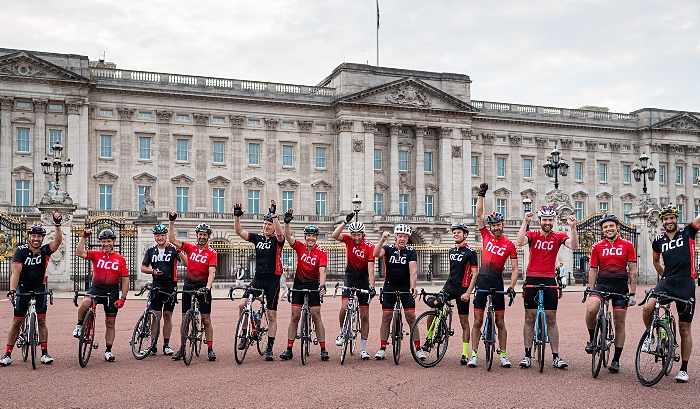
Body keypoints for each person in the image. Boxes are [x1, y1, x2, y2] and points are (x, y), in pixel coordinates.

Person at [643, 204, 700, 383]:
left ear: (676, 219)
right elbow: (655, 261)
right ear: (662, 221)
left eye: (672, 218)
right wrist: (664, 275)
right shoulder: (658, 240)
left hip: (686, 283)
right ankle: (650, 334)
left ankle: (683, 369)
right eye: (666, 219)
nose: (669, 221)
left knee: (684, 328)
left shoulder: (688, 232)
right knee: (648, 306)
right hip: (667, 281)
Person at [516, 205, 578, 369]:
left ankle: (556, 356)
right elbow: (520, 242)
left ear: (554, 220)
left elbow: (574, 246)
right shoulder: (533, 234)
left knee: (551, 318)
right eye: (545, 220)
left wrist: (573, 228)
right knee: (529, 317)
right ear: (540, 220)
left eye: (550, 220)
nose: (548, 223)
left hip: (550, 278)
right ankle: (527, 355)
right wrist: (525, 222)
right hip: (532, 277)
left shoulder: (558, 236)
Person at [464, 183, 519, 368]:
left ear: (502, 225)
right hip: (482, 282)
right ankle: (473, 355)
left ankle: (503, 354)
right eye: (493, 225)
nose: (496, 228)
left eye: (498, 225)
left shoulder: (509, 245)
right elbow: (478, 215)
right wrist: (481, 194)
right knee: (477, 321)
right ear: (491, 226)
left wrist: (512, 286)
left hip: (497, 283)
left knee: (500, 321)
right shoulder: (486, 236)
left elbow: (515, 268)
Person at [0, 213, 62, 367]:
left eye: (39, 236)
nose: (36, 239)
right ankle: (7, 354)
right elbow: (16, 272)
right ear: (29, 237)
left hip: (40, 287)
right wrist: (13, 290)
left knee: (41, 320)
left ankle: (45, 353)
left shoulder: (45, 250)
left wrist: (57, 224)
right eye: (34, 236)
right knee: (16, 322)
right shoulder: (20, 251)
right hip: (23, 287)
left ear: (42, 238)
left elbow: (58, 241)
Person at [583, 214, 637, 373]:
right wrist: (591, 288)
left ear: (617, 227)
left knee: (619, 323)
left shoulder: (628, 245)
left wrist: (632, 293)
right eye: (605, 227)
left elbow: (632, 269)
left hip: (620, 288)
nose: (609, 229)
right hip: (602, 285)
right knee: (591, 308)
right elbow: (593, 270)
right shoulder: (597, 247)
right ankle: (593, 338)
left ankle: (616, 359)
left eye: (611, 226)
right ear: (602, 230)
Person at [234, 199, 284, 361]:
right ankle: (244, 334)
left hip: (273, 281)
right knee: (242, 305)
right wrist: (237, 217)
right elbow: (239, 232)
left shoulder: (277, 240)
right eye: (264, 224)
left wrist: (275, 217)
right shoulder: (257, 238)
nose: (266, 226)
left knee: (271, 315)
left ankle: (269, 348)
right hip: (258, 279)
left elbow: (281, 235)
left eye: (268, 224)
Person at [73, 227, 130, 362]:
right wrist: (84, 237)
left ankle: (108, 350)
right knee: (85, 303)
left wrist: (123, 298)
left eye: (108, 241)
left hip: (112, 292)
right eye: (103, 241)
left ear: (114, 241)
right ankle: (80, 325)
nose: (106, 244)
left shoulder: (120, 259)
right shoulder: (96, 254)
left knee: (110, 323)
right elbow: (79, 252)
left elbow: (125, 279)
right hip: (96, 288)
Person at [280, 210, 329, 361]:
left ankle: (323, 349)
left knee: (316, 316)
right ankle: (289, 348)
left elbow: (322, 270)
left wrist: (322, 285)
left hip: (313, 284)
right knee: (295, 316)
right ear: (305, 237)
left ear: (316, 237)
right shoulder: (300, 247)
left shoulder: (321, 251)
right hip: (299, 284)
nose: (311, 238)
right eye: (308, 236)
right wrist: (287, 223)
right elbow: (288, 238)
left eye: (313, 236)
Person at [426, 222, 478, 365]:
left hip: (462, 289)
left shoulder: (471, 252)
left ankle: (464, 353)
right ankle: (429, 337)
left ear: (465, 235)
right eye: (454, 233)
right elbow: (451, 271)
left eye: (459, 232)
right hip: (449, 287)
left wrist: (468, 292)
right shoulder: (451, 251)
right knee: (432, 307)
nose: (456, 235)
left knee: (464, 322)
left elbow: (475, 274)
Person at [168, 214, 218, 361]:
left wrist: (208, 288)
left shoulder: (212, 253)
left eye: (205, 235)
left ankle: (210, 348)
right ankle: (182, 348)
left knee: (206, 320)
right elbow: (172, 240)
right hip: (189, 285)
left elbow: (212, 271)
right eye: (200, 234)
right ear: (197, 235)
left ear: (208, 236)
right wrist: (171, 222)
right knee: (185, 320)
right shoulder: (190, 248)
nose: (202, 237)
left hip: (203, 287)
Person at [373, 224, 424, 360]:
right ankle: (382, 348)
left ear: (408, 239)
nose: (402, 239)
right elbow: (375, 254)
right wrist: (382, 240)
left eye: (405, 237)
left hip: (405, 287)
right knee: (386, 317)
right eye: (400, 236)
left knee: (411, 317)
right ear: (395, 237)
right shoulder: (388, 248)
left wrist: (413, 287)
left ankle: (418, 348)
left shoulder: (411, 251)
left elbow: (413, 271)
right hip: (389, 286)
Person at [331, 213, 375, 360]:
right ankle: (342, 331)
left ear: (363, 235)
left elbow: (371, 268)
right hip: (349, 278)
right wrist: (345, 222)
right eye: (354, 235)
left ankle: (363, 349)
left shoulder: (369, 246)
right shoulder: (348, 240)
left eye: (358, 235)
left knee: (364, 316)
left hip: (363, 280)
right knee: (344, 308)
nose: (356, 238)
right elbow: (334, 235)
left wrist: (372, 286)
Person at [141, 223, 186, 356]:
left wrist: (180, 252)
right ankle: (153, 345)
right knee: (156, 316)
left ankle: (166, 345)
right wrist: (152, 271)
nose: (160, 238)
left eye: (162, 235)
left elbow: (186, 263)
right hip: (156, 285)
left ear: (166, 236)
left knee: (167, 315)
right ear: (154, 237)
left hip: (170, 285)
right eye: (157, 236)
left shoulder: (172, 250)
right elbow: (143, 267)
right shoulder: (151, 251)